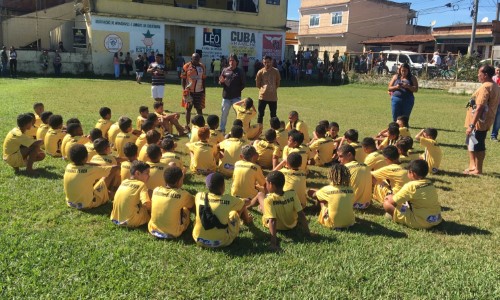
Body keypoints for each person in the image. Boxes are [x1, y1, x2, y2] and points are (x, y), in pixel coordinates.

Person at [252, 171, 310, 251]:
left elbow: (272, 221)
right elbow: (301, 214)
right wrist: (308, 232)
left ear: (271, 185)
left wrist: (273, 243)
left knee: (260, 195)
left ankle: (247, 205)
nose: (266, 186)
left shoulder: (269, 199)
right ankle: (254, 206)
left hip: (277, 227)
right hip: (291, 225)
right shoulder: (292, 194)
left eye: (267, 183)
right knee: (263, 202)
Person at [192, 172, 252, 248]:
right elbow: (247, 202)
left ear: (207, 186)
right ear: (223, 186)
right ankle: (247, 220)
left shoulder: (199, 195)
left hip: (198, 239)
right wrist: (245, 200)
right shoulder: (229, 200)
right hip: (221, 242)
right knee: (234, 213)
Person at [383, 159, 443, 229]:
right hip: (437, 219)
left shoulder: (411, 186)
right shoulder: (430, 183)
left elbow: (393, 202)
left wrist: (389, 196)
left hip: (421, 223)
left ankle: (396, 217)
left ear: (412, 173)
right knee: (405, 204)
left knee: (387, 203)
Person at [464, 65, 500, 175]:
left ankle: (478, 169)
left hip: (479, 122)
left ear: (485, 75)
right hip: (483, 121)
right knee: (471, 142)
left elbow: (480, 107)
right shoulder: (495, 86)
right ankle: (473, 166)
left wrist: (471, 125)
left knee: (478, 144)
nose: (478, 75)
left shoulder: (486, 87)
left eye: (479, 73)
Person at [64, 144, 119, 210]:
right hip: (87, 204)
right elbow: (115, 168)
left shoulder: (68, 166)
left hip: (70, 202)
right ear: (86, 157)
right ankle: (111, 194)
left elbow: (85, 163)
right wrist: (102, 165)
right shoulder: (90, 170)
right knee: (104, 178)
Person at [149, 166, 195, 239]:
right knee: (186, 209)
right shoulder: (183, 194)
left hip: (153, 229)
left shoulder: (156, 190)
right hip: (174, 233)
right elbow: (193, 206)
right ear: (179, 181)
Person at [309, 164, 355, 229]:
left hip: (331, 224)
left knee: (319, 196)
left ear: (331, 175)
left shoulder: (327, 189)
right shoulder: (351, 189)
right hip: (350, 223)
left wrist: (312, 192)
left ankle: (319, 210)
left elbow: (313, 195)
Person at [110, 160, 151, 227]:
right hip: (131, 222)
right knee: (150, 194)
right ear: (137, 173)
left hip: (115, 218)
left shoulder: (124, 182)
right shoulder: (141, 184)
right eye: (147, 173)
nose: (149, 176)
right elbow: (146, 204)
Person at [337, 145, 372, 209]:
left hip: (351, 204)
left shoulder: (344, 168)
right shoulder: (366, 166)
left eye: (341, 156)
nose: (338, 159)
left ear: (349, 155)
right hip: (366, 204)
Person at [219, 53, 245, 134]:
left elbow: (243, 84)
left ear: (236, 61)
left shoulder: (240, 71)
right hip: (226, 97)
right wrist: (221, 82)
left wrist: (236, 90)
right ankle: (222, 130)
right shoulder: (225, 70)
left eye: (233, 60)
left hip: (236, 98)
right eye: (230, 60)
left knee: (239, 115)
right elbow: (220, 81)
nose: (231, 62)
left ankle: (239, 131)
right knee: (224, 115)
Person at [181, 53, 206, 129]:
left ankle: (200, 126)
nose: (196, 60)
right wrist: (184, 90)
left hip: (199, 91)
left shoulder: (202, 66)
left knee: (199, 109)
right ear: (191, 59)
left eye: (198, 59)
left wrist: (204, 91)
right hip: (189, 92)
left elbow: (203, 79)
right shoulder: (186, 66)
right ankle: (187, 126)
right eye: (195, 59)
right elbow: (183, 79)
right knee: (188, 109)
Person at [256, 55, 281, 127]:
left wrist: (272, 89)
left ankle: (274, 130)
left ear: (271, 62)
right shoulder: (260, 72)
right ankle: (258, 131)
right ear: (263, 62)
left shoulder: (276, 71)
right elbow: (257, 84)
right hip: (262, 97)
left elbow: (278, 83)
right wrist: (264, 89)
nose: (267, 64)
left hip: (273, 97)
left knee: (273, 115)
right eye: (265, 62)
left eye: (268, 62)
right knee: (260, 115)